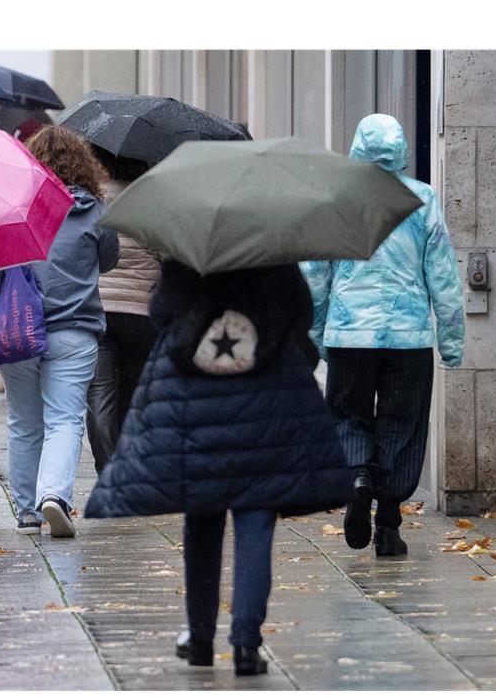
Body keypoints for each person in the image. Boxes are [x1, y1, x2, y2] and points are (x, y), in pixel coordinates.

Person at [86, 260, 352, 676]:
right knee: (256, 520)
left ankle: (200, 636)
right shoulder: (273, 255)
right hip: (265, 401)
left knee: (202, 521)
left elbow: (161, 313)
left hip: (196, 402)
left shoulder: (188, 255)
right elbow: (301, 312)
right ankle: (246, 643)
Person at [301, 113, 465, 557]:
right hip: (408, 338)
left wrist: (318, 335)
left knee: (348, 417)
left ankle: (357, 478)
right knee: (403, 425)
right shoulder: (421, 200)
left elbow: (315, 274)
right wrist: (451, 341)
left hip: (350, 334)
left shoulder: (336, 199)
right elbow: (444, 277)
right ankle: (388, 524)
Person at [2, 125, 119, 538]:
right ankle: (54, 496)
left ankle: (26, 513)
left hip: (18, 329)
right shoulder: (97, 212)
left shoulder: (16, 206)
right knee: (65, 420)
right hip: (74, 329)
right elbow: (108, 262)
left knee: (23, 422)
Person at [85, 152, 160, 474]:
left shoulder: (93, 199)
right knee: (133, 393)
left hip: (99, 310)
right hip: (141, 313)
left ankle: (107, 467)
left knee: (101, 396)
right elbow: (167, 252)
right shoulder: (153, 200)